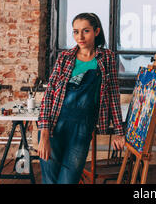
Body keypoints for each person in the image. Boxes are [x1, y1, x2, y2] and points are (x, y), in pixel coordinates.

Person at [37, 12, 125, 184]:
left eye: (85, 31)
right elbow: (49, 96)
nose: (80, 36)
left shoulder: (107, 58)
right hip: (54, 126)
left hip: (82, 129)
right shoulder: (65, 58)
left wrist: (119, 132)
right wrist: (44, 134)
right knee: (50, 180)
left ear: (97, 31)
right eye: (76, 32)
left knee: (68, 181)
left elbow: (113, 94)